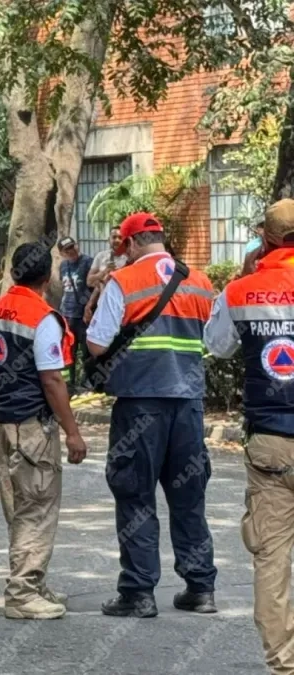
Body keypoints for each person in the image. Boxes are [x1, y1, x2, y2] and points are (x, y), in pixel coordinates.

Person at [86, 212, 217, 618]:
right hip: (189, 405)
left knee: (135, 496)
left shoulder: (124, 281)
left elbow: (97, 344)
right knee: (189, 498)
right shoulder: (200, 281)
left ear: (130, 243)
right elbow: (215, 341)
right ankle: (200, 589)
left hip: (139, 406)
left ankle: (139, 593)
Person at [0, 242, 88, 620]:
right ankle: (22, 593)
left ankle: (34, 581)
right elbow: (51, 379)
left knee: (19, 508)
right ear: (47, 277)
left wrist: (5, 367)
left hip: (1, 424)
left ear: (14, 273)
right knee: (37, 507)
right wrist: (73, 432)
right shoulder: (43, 318)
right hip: (32, 426)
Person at [204, 199, 294, 672]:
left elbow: (216, 346)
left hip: (271, 442)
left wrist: (243, 277)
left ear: (267, 238)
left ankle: (284, 663)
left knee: (272, 557)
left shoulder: (242, 290)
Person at [57, 237, 93, 382]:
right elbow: (64, 288)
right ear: (62, 253)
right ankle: (70, 382)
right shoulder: (63, 266)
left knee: (86, 351)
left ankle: (87, 381)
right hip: (67, 314)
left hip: (83, 315)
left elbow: (93, 286)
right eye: (67, 249)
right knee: (69, 350)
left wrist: (89, 306)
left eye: (73, 247)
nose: (72, 251)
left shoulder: (88, 262)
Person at [84, 230, 129, 324]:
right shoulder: (101, 256)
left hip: (123, 307)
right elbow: (90, 281)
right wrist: (104, 272)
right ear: (109, 239)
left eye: (120, 237)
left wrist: (118, 273)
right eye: (114, 237)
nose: (117, 240)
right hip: (103, 307)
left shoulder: (129, 258)